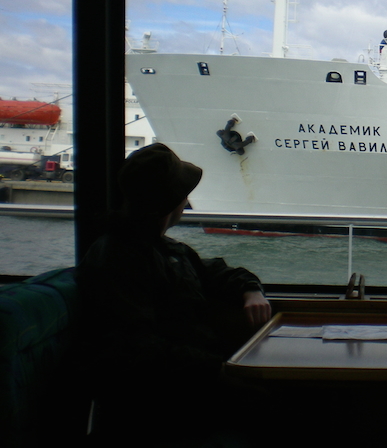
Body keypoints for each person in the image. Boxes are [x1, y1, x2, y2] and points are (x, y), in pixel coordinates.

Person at [77, 143, 272, 444]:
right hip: (160, 401)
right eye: (183, 193)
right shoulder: (118, 258)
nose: (187, 199)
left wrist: (250, 290)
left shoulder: (166, 250)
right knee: (281, 406)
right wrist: (218, 369)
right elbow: (138, 348)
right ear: (169, 201)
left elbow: (218, 272)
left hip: (188, 382)